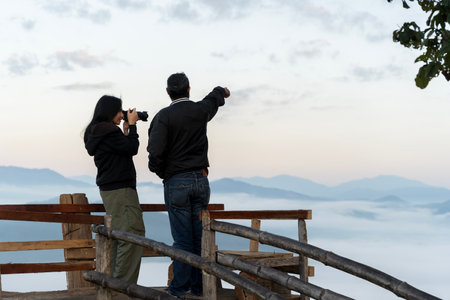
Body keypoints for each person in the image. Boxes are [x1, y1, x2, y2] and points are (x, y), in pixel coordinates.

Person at [147, 73, 230, 297]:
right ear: (189, 89)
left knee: (182, 239)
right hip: (201, 180)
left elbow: (155, 152)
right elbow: (212, 100)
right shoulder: (199, 111)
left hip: (176, 182)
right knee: (199, 237)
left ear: (167, 92)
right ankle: (199, 285)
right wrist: (221, 91)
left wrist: (162, 172)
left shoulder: (163, 117)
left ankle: (178, 289)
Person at [84, 95, 145, 284]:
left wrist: (125, 132)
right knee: (132, 235)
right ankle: (122, 287)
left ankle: (112, 284)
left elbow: (122, 150)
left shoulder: (98, 132)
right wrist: (133, 127)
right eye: (119, 111)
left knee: (118, 236)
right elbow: (132, 148)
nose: (121, 115)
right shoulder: (110, 132)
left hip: (110, 190)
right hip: (121, 190)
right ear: (110, 112)